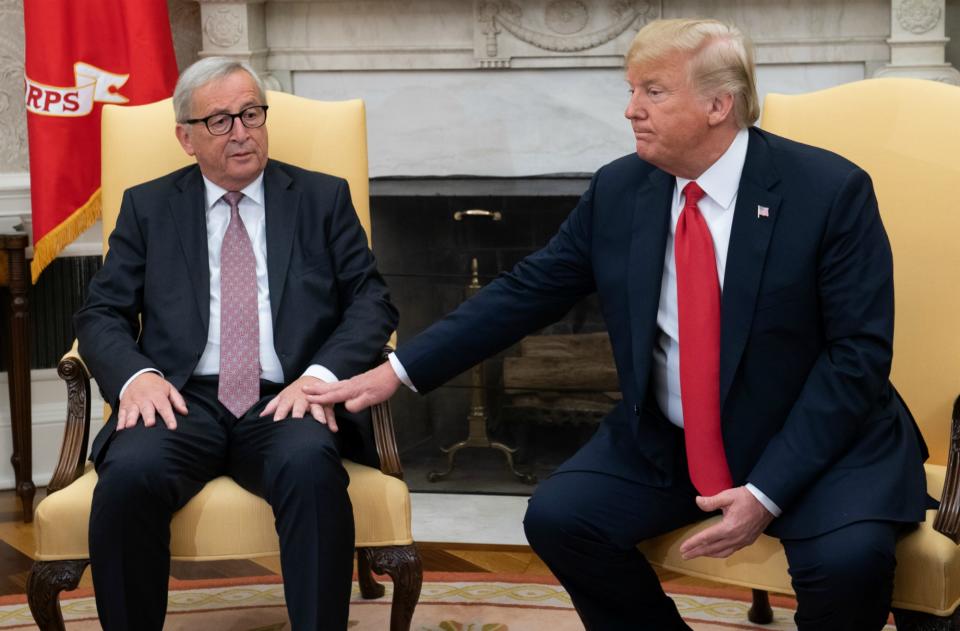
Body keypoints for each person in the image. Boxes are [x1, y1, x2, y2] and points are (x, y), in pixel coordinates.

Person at [303, 18, 932, 631]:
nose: (631, 109)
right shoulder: (621, 189)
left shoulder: (829, 191)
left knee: (849, 568)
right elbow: (528, 290)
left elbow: (857, 358)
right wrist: (397, 371)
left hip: (819, 445)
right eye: (630, 90)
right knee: (561, 517)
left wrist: (766, 491)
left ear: (719, 104)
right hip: (672, 442)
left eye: (652, 92)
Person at [75, 56, 397, 631]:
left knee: (310, 466)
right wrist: (136, 376)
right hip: (181, 398)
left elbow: (372, 302)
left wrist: (321, 376)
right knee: (127, 476)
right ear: (186, 138)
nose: (242, 132)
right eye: (221, 121)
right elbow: (102, 312)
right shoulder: (149, 207)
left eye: (251, 113)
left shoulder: (322, 199)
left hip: (286, 396)